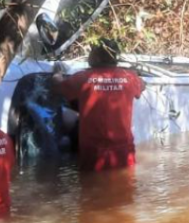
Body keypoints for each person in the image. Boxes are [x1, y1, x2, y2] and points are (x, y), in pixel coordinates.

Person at [55, 39, 145, 171]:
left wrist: (56, 74)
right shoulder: (130, 77)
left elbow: (58, 87)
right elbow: (142, 85)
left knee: (90, 188)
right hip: (124, 152)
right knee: (125, 188)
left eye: (91, 51)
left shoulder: (82, 78)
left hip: (93, 154)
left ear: (96, 56)